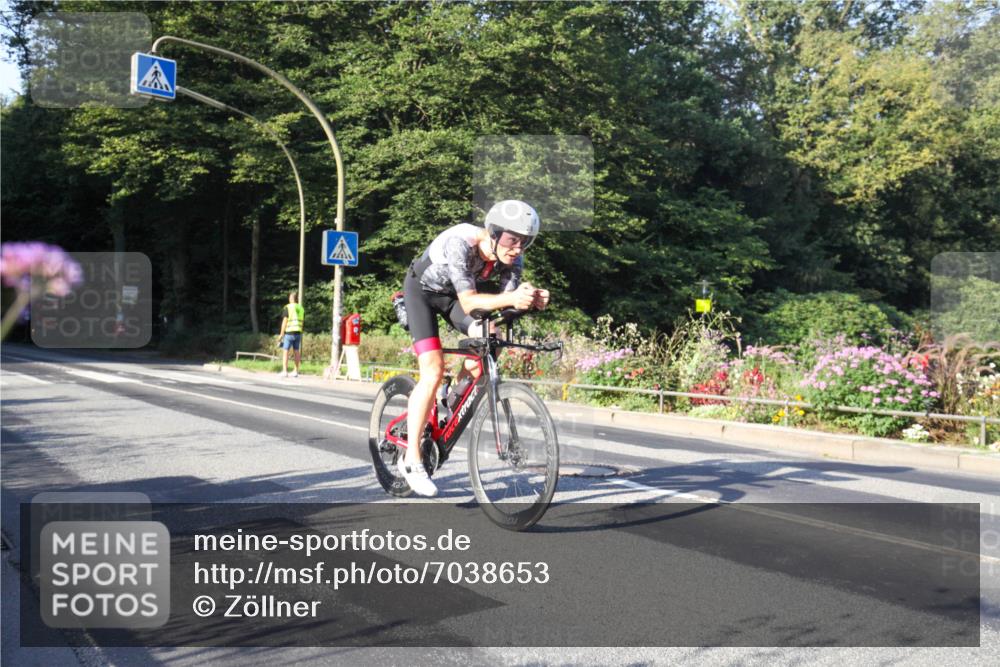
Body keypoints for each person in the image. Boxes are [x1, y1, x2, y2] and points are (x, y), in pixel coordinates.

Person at [397, 200, 550, 496]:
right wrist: (512, 298)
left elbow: (506, 308)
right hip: (422, 293)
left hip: (452, 297)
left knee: (490, 337)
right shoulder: (461, 242)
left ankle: (450, 398)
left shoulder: (513, 259)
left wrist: (530, 302)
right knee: (433, 370)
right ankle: (412, 459)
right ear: (493, 233)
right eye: (512, 239)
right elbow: (470, 302)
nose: (518, 248)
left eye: (525, 242)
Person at [277, 292, 304, 378]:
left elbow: (285, 321)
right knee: (296, 351)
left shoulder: (288, 307)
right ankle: (296, 371)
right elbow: (302, 322)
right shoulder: (301, 308)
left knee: (286, 351)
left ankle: (285, 371)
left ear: (291, 298)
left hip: (289, 332)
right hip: (298, 332)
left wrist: (281, 334)